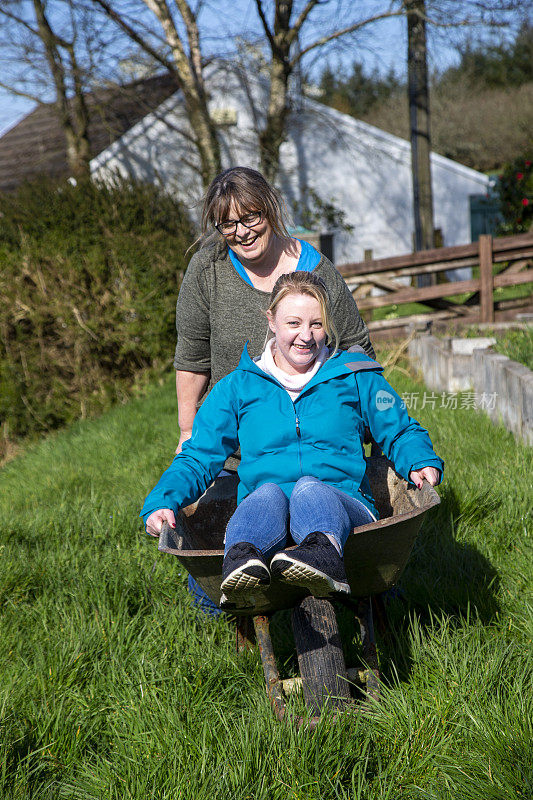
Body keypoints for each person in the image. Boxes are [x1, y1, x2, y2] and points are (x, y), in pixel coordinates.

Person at [142, 272, 443, 610]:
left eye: (316, 324)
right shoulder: (238, 387)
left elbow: (399, 429)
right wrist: (163, 501)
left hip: (342, 508)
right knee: (265, 493)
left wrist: (420, 461)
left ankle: (322, 556)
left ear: (328, 325)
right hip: (263, 516)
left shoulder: (356, 376)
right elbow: (198, 456)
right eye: (293, 323)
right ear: (271, 321)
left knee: (309, 489)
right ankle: (242, 563)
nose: (306, 336)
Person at [173, 165, 375, 458]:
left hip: (316, 445)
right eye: (227, 224)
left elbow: (358, 351)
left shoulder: (318, 271)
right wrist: (188, 435)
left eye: (249, 217)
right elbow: (192, 359)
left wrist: (379, 431)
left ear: (269, 208)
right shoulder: (207, 270)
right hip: (232, 451)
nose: (241, 232)